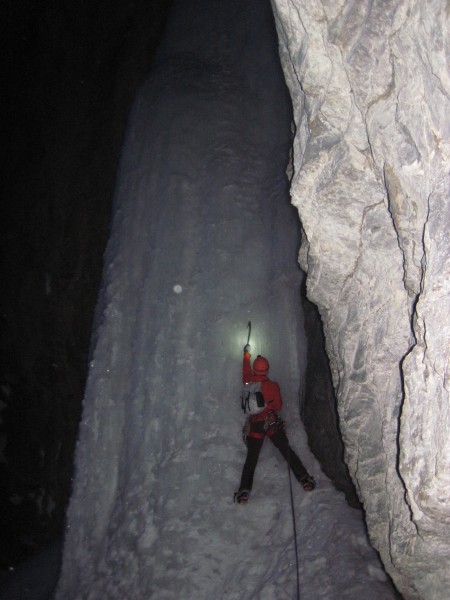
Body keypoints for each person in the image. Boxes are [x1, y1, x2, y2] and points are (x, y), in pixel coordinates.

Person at [235, 345, 315, 504]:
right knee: (287, 452)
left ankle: (244, 490)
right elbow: (278, 406)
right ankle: (304, 479)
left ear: (254, 370)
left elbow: (245, 372)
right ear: (267, 369)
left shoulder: (248, 382)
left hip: (255, 425)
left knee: (251, 459)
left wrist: (246, 355)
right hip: (271, 423)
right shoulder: (272, 386)